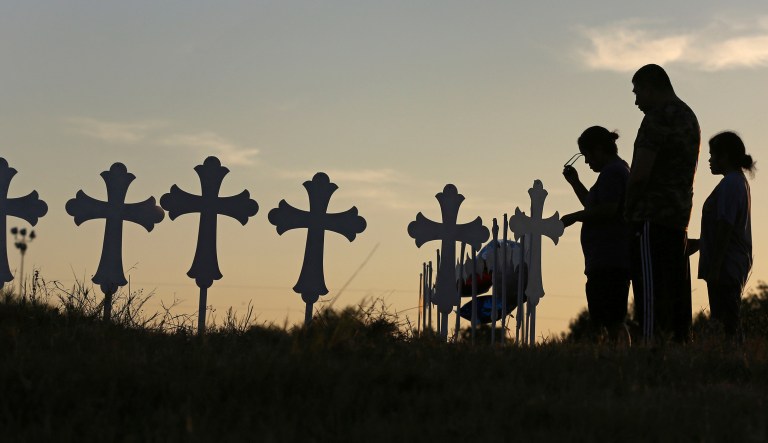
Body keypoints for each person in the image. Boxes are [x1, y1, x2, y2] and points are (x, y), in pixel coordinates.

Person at [625, 64, 700, 343]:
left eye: (637, 92)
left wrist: (628, 209)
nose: (636, 101)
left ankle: (649, 351)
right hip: (678, 220)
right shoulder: (689, 117)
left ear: (650, 86)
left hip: (650, 218)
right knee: (676, 294)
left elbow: (641, 173)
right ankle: (679, 348)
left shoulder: (657, 117)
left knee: (650, 294)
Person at [562, 126, 631, 342]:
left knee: (610, 319)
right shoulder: (615, 172)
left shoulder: (613, 173)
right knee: (609, 318)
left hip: (609, 258)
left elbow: (609, 210)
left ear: (599, 150)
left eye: (587, 155)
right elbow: (594, 206)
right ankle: (616, 356)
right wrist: (575, 182)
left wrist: (574, 217)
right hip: (605, 259)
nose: (587, 162)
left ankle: (616, 358)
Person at [689, 132, 754, 341]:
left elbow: (726, 226)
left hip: (726, 265)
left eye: (712, 155)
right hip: (726, 263)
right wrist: (700, 244)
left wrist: (716, 267)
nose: (709, 160)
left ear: (724, 156)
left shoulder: (731, 184)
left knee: (727, 323)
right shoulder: (735, 182)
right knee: (725, 321)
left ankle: (735, 364)